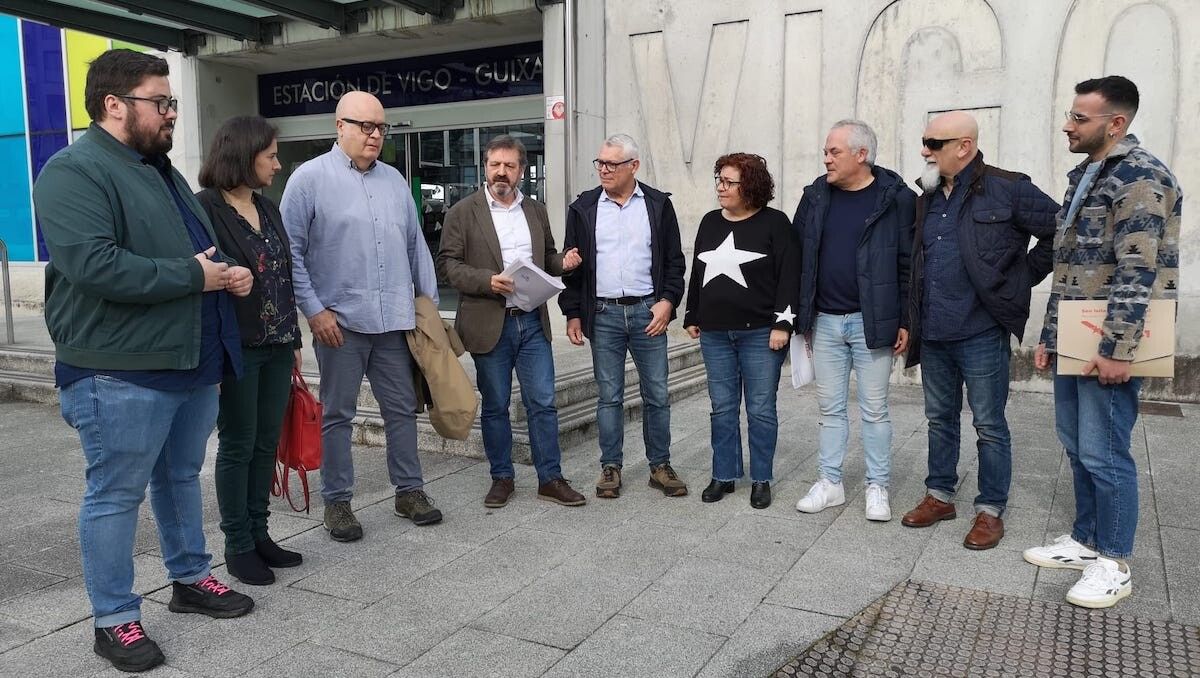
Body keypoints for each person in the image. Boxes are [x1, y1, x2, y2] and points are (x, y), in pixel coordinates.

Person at [33, 49, 255, 672]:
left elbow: (190, 258)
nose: (171, 114)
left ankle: (190, 579)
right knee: (115, 495)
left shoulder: (160, 171)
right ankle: (114, 620)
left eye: (172, 102)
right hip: (117, 368)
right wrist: (195, 275)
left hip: (188, 360)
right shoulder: (72, 171)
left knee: (181, 478)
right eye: (160, 102)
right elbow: (93, 265)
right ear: (113, 105)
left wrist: (220, 274)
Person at [1025, 76, 1181, 609]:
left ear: (1115, 123)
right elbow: (1069, 265)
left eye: (1079, 118)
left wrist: (1118, 350)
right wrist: (1049, 336)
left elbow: (1140, 269)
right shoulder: (1090, 175)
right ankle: (1087, 541)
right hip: (1076, 333)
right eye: (1070, 115)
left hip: (1108, 341)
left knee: (1107, 451)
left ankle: (1114, 563)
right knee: (1076, 443)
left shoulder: (1140, 177)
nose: (1067, 125)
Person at [280, 91, 442, 542]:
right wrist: (313, 311)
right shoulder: (307, 180)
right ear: (340, 126)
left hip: (393, 321)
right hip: (339, 324)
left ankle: (409, 491)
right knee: (337, 415)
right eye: (365, 126)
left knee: (403, 411)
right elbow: (290, 253)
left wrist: (426, 309)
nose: (374, 135)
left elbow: (415, 247)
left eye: (381, 127)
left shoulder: (394, 180)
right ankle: (338, 502)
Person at [900, 111, 1059, 550]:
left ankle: (990, 509)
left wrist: (1021, 276)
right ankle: (940, 496)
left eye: (933, 143)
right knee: (939, 419)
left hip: (982, 330)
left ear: (964, 146)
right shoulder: (928, 195)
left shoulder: (1009, 188)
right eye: (925, 142)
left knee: (989, 424)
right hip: (933, 331)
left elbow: (1060, 232)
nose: (924, 151)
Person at [438, 135, 587, 508]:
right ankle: (501, 477)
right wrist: (487, 281)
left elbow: (547, 256)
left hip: (532, 322)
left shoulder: (535, 210)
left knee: (543, 402)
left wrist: (563, 263)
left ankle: (550, 478)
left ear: (521, 170)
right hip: (491, 324)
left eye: (509, 165)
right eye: (494, 164)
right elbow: (449, 266)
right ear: (485, 168)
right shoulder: (462, 212)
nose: (500, 172)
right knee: (495, 405)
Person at [196, 115, 304, 586]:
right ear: (243, 155)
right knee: (238, 444)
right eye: (271, 156)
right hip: (236, 348)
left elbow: (284, 276)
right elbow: (201, 277)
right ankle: (237, 544)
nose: (277, 165)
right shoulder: (205, 209)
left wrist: (293, 340)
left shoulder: (268, 206)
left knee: (266, 443)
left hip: (278, 344)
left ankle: (260, 534)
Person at [791, 120, 916, 522]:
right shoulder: (814, 196)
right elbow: (799, 257)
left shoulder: (896, 198)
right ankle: (830, 483)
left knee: (875, 409)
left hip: (872, 321)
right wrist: (801, 315)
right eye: (826, 152)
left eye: (834, 152)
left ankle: (876, 486)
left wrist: (905, 320)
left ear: (861, 155)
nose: (825, 158)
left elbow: (908, 264)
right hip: (825, 322)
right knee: (830, 409)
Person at [560, 134, 688, 499]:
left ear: (633, 166)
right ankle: (610, 467)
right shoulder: (583, 207)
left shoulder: (658, 205)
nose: (603, 169)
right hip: (603, 315)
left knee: (658, 394)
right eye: (600, 163)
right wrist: (573, 313)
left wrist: (668, 301)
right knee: (609, 396)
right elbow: (574, 267)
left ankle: (659, 466)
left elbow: (675, 262)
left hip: (649, 312)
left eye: (611, 164)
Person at [684, 153, 799, 510]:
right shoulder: (709, 222)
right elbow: (699, 270)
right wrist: (692, 313)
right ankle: (724, 474)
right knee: (722, 408)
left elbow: (790, 276)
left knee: (761, 409)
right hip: (716, 333)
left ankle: (761, 478)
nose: (721, 186)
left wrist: (783, 323)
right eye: (719, 179)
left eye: (729, 181)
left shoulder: (775, 223)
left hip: (761, 334)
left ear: (750, 186)